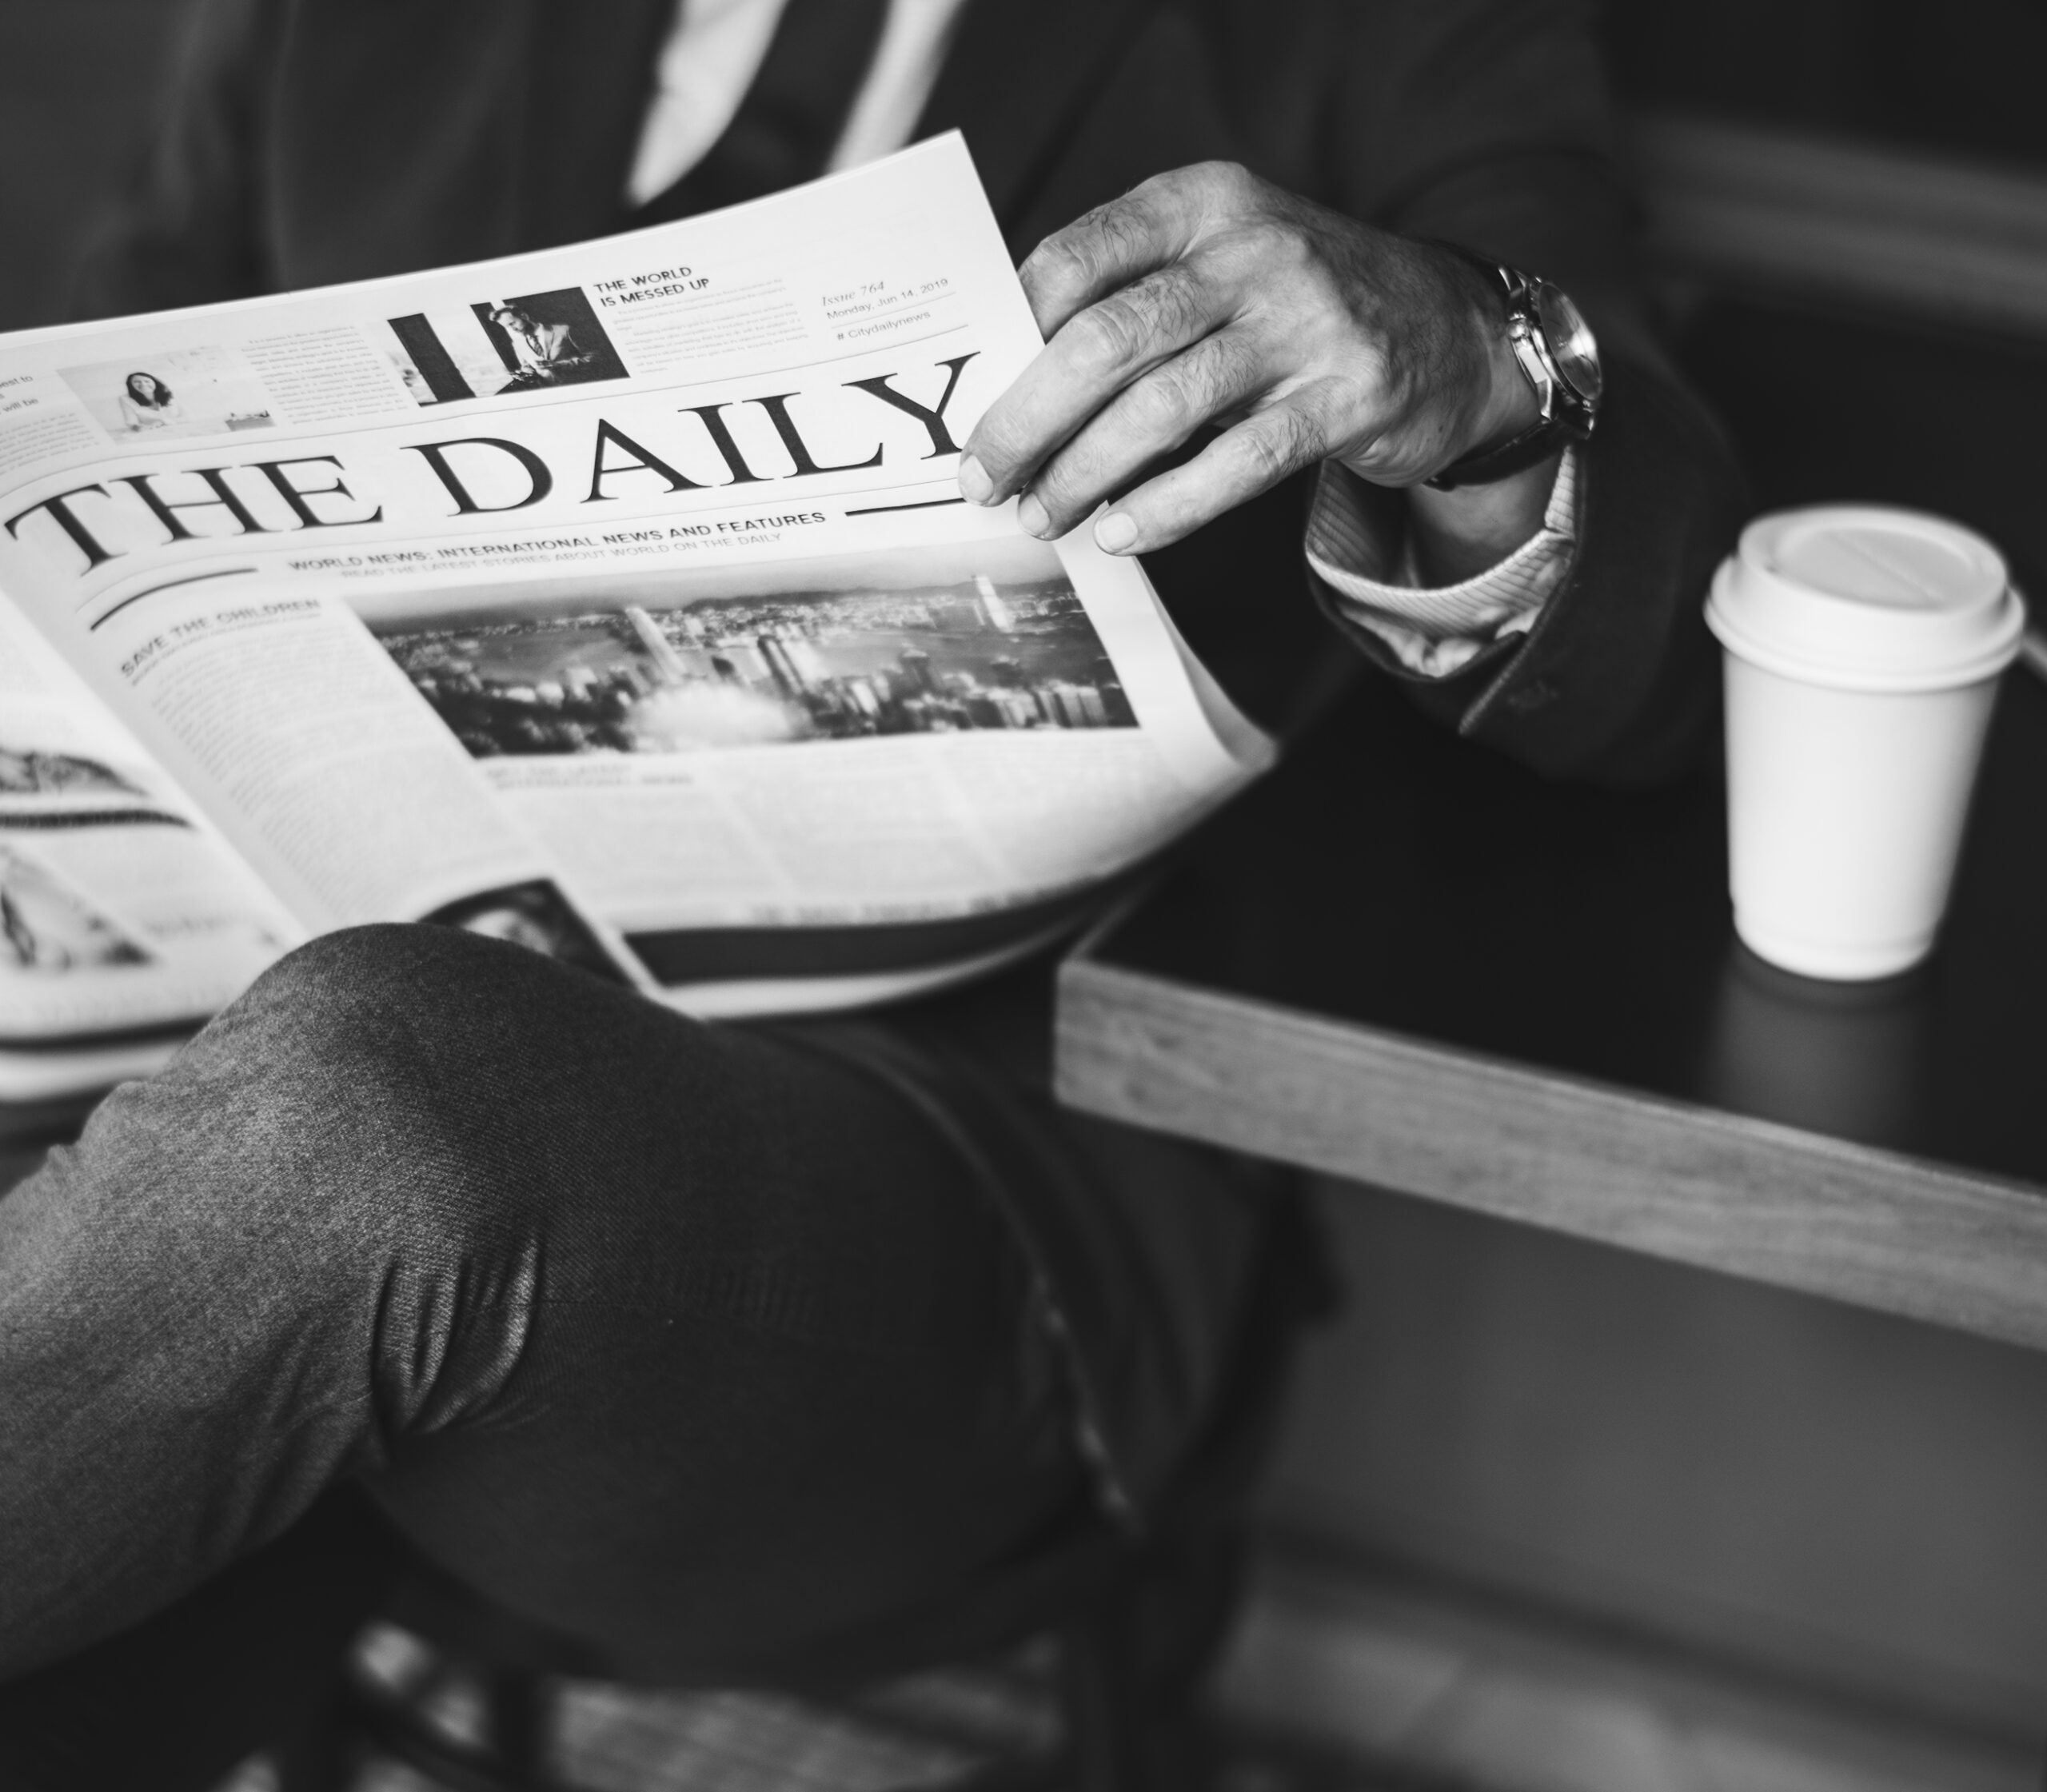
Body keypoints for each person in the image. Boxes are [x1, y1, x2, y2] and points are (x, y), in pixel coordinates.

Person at [2, 0, 1747, 1784]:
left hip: (944, 1185)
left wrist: (1473, 364)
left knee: (353, 1119)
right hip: (205, 1158)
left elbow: (1670, 652)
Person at [486, 302, 600, 388]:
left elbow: (594, 357)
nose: (513, 329)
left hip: (583, 386)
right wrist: (525, 374)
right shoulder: (518, 344)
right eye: (507, 327)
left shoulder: (564, 330)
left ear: (524, 316)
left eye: (513, 323)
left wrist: (558, 365)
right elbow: (527, 368)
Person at [114, 369, 183, 431]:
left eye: (147, 381)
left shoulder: (170, 393)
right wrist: (140, 428)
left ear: (154, 382)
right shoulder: (125, 399)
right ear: (131, 386)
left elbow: (189, 417)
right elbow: (132, 423)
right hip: (152, 434)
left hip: (180, 430)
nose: (143, 384)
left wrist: (164, 422)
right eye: (137, 382)